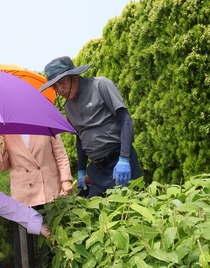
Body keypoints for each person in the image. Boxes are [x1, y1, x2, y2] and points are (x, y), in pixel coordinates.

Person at [40, 56, 141, 198]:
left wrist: (124, 158)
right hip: (96, 171)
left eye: (62, 82)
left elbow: (125, 120)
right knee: (95, 214)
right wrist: (81, 170)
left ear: (73, 75)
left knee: (128, 211)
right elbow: (80, 137)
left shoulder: (100, 86)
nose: (59, 89)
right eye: (54, 86)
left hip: (119, 162)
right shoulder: (68, 106)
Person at [0, 134, 73, 268]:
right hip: (22, 188)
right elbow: (2, 167)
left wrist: (66, 180)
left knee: (49, 230)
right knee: (22, 231)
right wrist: (2, 151)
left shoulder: (45, 124)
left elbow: (61, 154)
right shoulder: (7, 131)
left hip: (47, 184)